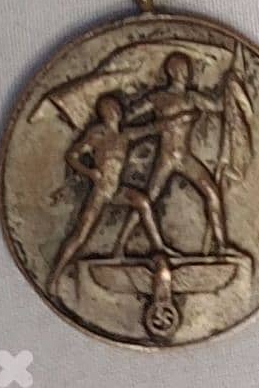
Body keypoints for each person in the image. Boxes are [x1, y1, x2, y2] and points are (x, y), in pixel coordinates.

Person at [47, 95, 170, 296]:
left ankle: (159, 249)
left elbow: (151, 128)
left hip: (116, 190)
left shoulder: (124, 134)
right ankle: (54, 276)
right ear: (105, 113)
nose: (117, 111)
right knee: (80, 235)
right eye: (113, 108)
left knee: (143, 202)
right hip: (101, 191)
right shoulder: (97, 134)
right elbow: (71, 155)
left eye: (117, 108)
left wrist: (177, 119)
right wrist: (90, 172)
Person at [113, 52, 228, 257]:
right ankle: (120, 246)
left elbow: (218, 106)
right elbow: (128, 117)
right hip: (166, 158)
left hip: (185, 157)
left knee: (212, 192)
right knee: (148, 200)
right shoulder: (158, 98)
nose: (186, 72)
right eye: (181, 68)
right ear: (172, 72)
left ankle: (221, 245)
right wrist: (165, 121)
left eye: (186, 69)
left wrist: (231, 88)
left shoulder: (192, 97)